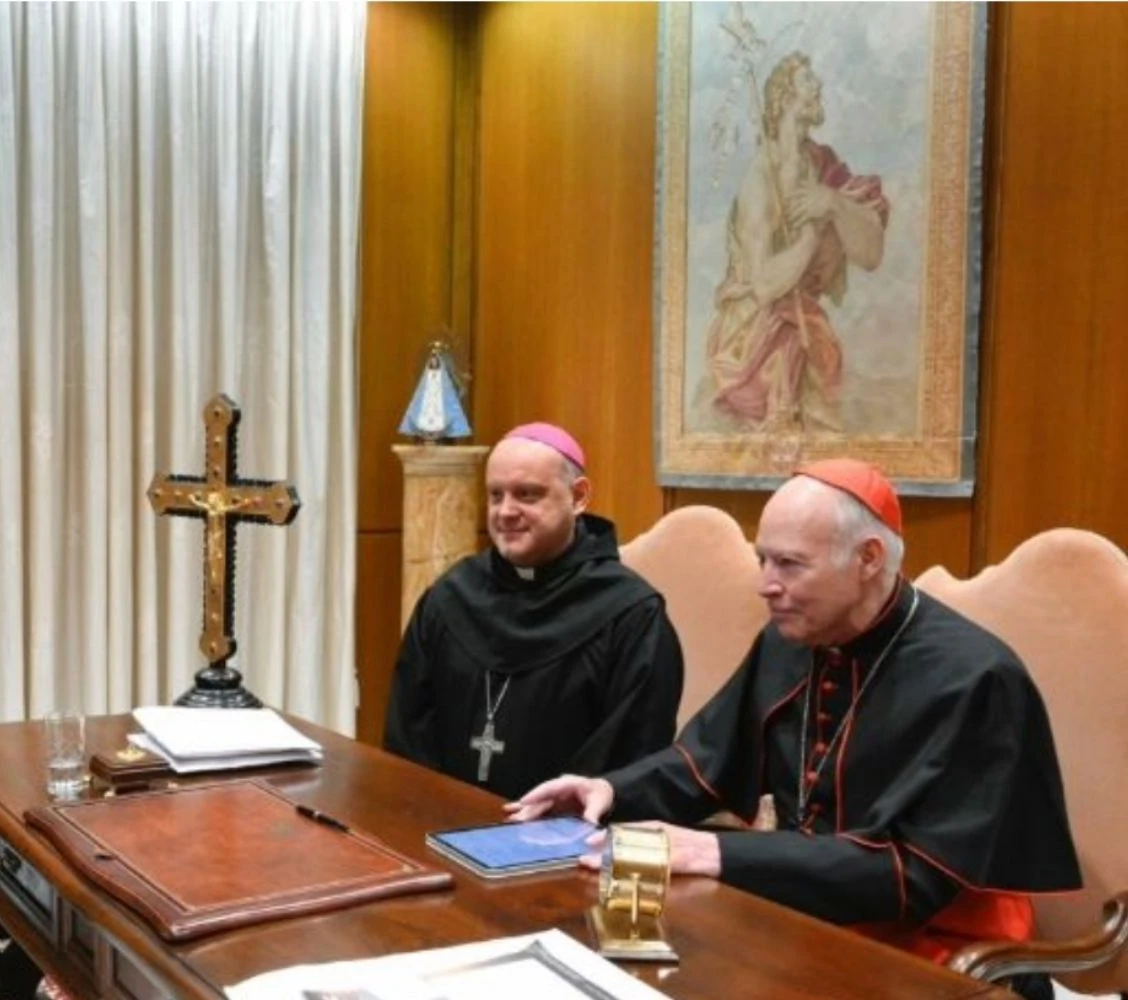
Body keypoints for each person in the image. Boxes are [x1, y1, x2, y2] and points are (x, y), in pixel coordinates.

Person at [508, 459, 1079, 1000]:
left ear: (869, 558)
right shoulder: (793, 638)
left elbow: (915, 878)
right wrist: (610, 790)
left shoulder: (976, 678)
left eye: (789, 564)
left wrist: (716, 852)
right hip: (804, 915)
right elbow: (707, 760)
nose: (765, 584)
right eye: (763, 560)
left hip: (939, 947)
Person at [384, 422, 684, 801]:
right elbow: (408, 734)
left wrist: (554, 819)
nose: (506, 511)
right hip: (439, 822)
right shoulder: (450, 597)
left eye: (527, 494)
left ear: (578, 497)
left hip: (566, 831)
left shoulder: (630, 614)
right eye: (496, 495)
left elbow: (631, 756)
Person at [704, 52, 889, 432]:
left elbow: (871, 254)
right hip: (754, 341)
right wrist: (812, 235)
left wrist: (833, 202)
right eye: (808, 80)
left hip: (804, 330)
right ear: (785, 96)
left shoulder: (821, 164)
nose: (818, 85)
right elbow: (764, 286)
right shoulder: (761, 179)